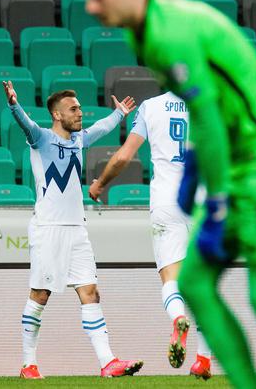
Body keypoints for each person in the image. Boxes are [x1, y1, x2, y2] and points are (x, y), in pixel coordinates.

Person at [78, 0, 256, 389]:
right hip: (240, 156)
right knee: (194, 285)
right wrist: (192, 185)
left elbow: (207, 118)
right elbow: (201, 122)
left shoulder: (170, 35)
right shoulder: (143, 33)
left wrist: (220, 200)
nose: (91, 7)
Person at [4, 81, 143, 379]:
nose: (80, 113)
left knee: (90, 292)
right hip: (48, 229)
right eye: (73, 109)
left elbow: (101, 129)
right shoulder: (40, 139)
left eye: (79, 108)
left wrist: (119, 114)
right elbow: (25, 124)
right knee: (40, 295)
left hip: (77, 230)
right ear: (57, 114)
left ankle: (108, 363)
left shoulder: (78, 139)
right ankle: (28, 364)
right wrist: (14, 104)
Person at [88, 91, 213, 379]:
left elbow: (124, 156)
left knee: (171, 277)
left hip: (167, 201)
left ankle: (178, 317)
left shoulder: (151, 107)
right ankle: (203, 360)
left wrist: (100, 185)